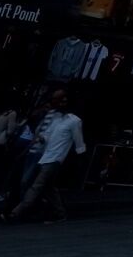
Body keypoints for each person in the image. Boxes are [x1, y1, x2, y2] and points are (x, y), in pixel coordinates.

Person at [6, 90, 84, 223]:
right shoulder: (57, 119)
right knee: (49, 188)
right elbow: (48, 136)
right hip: (45, 156)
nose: (60, 103)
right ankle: (60, 213)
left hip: (55, 158)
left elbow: (79, 142)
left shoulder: (75, 121)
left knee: (37, 185)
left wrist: (77, 159)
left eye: (63, 101)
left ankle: (16, 212)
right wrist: (41, 138)